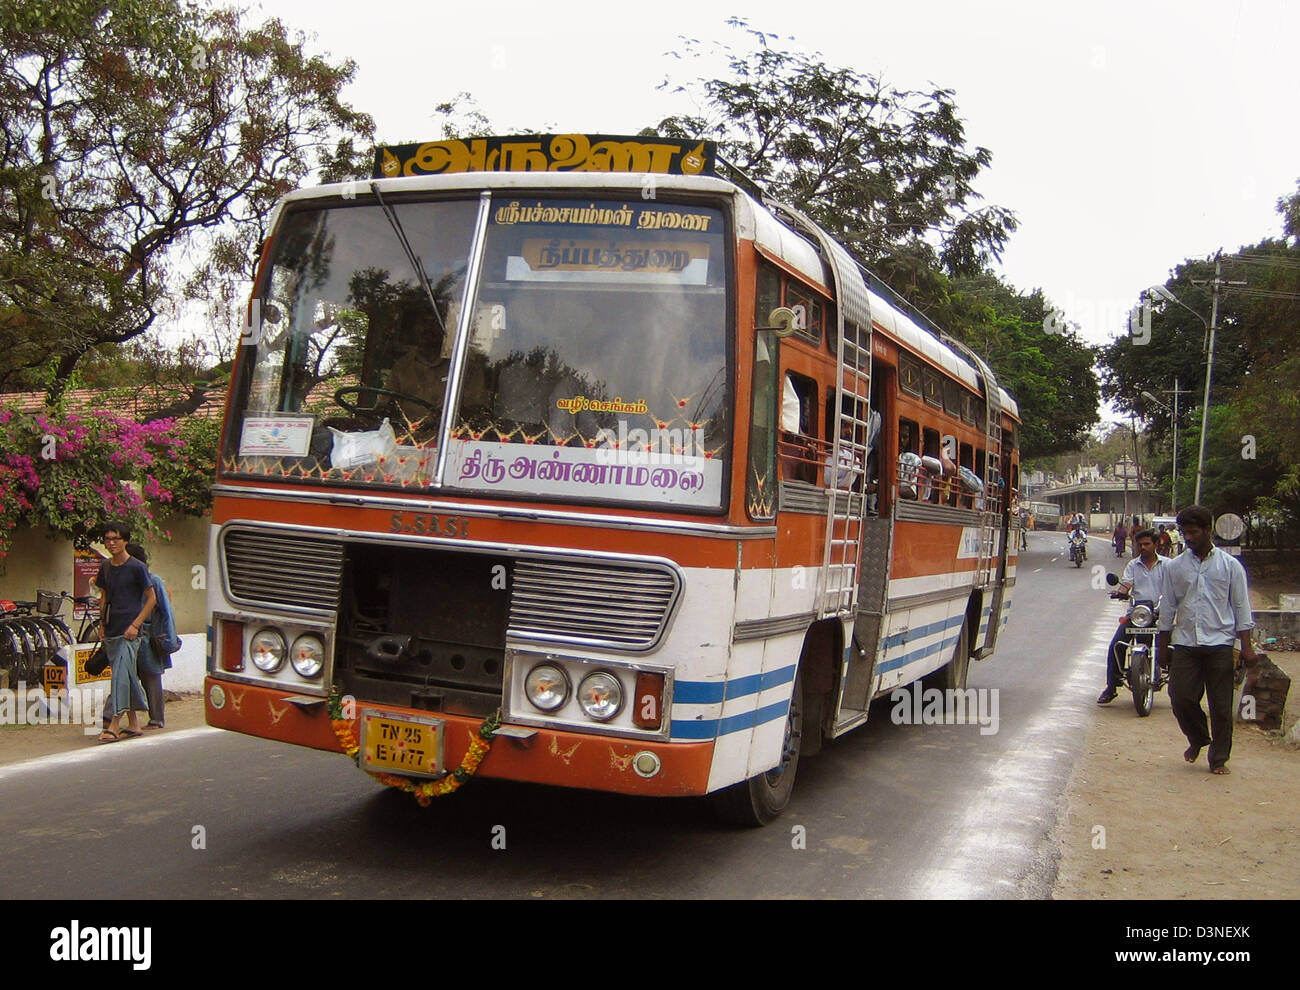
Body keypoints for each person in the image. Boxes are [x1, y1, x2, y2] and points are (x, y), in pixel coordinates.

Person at [1156, 505, 1260, 775]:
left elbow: (1241, 607)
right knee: (1180, 699)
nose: (1188, 538)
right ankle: (1199, 738)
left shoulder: (1230, 567)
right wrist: (1162, 645)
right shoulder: (1175, 568)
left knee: (1221, 706)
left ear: (1208, 531)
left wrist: (1247, 648)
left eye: (1193, 532)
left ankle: (1218, 759)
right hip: (1186, 644)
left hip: (1220, 645)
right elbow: (1168, 607)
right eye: (1184, 533)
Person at [101, 543, 179, 731]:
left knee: (151, 678)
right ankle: (109, 715)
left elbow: (167, 613)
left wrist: (170, 639)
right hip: (125, 635)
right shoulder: (121, 581)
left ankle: (156, 719)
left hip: (148, 637)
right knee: (123, 674)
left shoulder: (154, 582)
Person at [94, 521, 155, 742]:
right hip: (112, 630)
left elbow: (151, 598)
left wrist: (136, 625)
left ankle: (114, 724)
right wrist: (101, 625)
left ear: (125, 541)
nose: (111, 543)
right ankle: (135, 724)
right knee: (126, 675)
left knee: (119, 676)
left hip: (130, 633)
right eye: (108, 539)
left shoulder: (137, 567)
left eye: (116, 539)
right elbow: (104, 597)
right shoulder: (106, 568)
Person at [1098, 528, 1166, 704]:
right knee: (1116, 645)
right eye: (1140, 544)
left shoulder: (1168, 565)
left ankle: (1175, 686)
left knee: (1174, 646)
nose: (1142, 547)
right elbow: (1126, 584)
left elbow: (1176, 587)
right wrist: (1119, 592)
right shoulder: (1133, 565)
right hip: (1137, 614)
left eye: (1146, 544)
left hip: (1161, 614)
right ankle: (1112, 686)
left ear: (1156, 544)